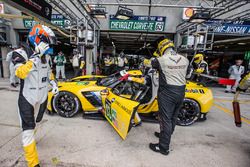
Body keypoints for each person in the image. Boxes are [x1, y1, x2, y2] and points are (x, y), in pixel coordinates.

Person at [12, 24, 58, 167]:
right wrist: (35, 56)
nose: (49, 45)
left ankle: (32, 139)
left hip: (43, 97)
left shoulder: (47, 57)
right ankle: (33, 163)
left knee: (36, 124)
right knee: (28, 130)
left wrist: (53, 82)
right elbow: (20, 73)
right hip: (28, 98)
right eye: (47, 41)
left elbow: (48, 71)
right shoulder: (20, 53)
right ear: (36, 38)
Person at [147, 38, 189, 155]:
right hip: (181, 91)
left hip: (167, 93)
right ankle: (166, 135)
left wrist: (155, 55)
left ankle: (163, 147)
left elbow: (149, 64)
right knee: (173, 117)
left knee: (165, 119)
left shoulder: (161, 60)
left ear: (161, 48)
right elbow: (189, 74)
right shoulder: (185, 59)